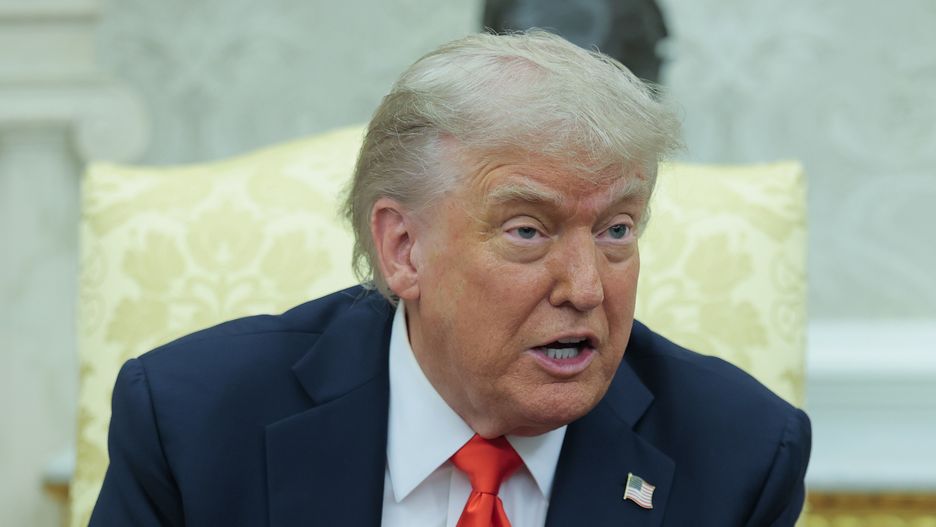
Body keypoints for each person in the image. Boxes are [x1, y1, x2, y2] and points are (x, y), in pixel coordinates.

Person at [90, 30, 811, 526]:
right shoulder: (195, 423)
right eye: (528, 230)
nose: (588, 288)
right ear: (403, 249)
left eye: (617, 229)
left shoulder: (739, 452)